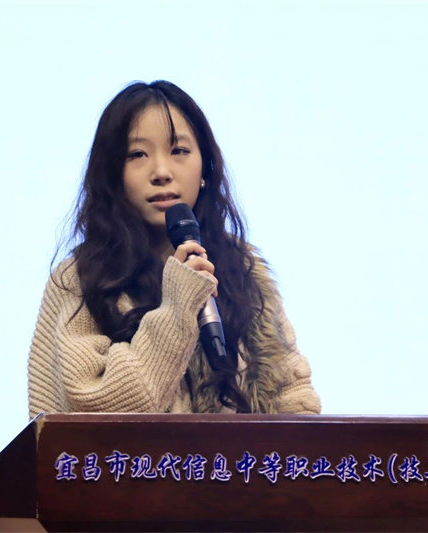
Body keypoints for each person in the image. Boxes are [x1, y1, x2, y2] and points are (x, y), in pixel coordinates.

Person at [27, 80, 320, 418]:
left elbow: (294, 397)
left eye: (179, 150)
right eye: (137, 154)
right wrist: (176, 308)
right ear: (112, 175)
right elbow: (96, 409)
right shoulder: (81, 278)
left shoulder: (243, 270)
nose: (161, 172)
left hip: (240, 457)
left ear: (205, 167)